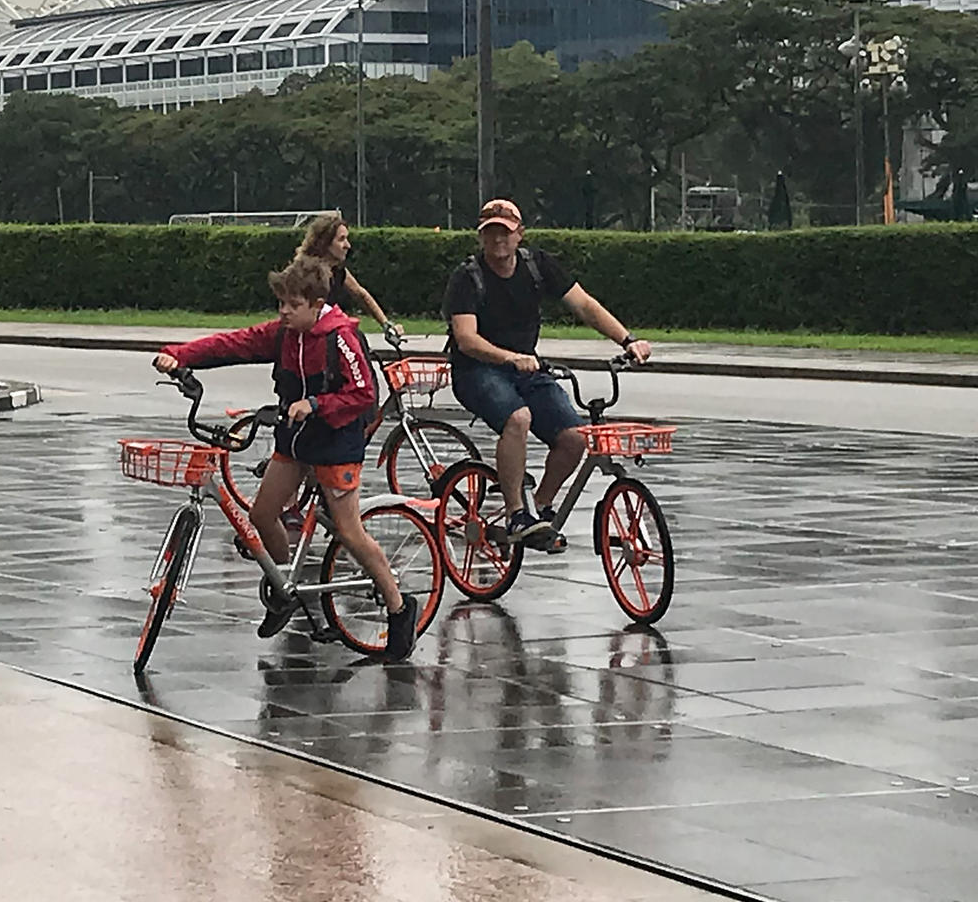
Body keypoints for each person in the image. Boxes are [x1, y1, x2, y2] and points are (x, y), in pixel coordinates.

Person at [152, 256, 419, 661]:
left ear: (316, 304)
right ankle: (284, 585)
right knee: (262, 515)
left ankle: (400, 609)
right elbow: (233, 344)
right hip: (295, 441)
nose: (283, 311)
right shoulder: (286, 335)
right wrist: (179, 354)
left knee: (349, 531)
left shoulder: (340, 338)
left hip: (335, 443)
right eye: (281, 303)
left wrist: (315, 404)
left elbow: (363, 393)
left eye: (292, 304)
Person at [445, 199, 651, 549]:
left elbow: (584, 304)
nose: (498, 240)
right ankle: (515, 515)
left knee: (574, 438)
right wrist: (510, 357)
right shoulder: (468, 277)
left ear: (519, 235)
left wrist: (627, 340)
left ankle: (538, 510)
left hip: (527, 367)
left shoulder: (537, 266)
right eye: (490, 232)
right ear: (480, 237)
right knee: (518, 418)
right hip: (477, 371)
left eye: (505, 232)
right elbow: (466, 339)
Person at [297, 214, 400, 343]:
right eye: (341, 239)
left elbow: (360, 294)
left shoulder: (337, 270)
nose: (348, 245)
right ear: (325, 243)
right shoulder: (308, 273)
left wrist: (386, 324)